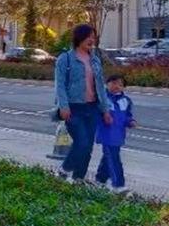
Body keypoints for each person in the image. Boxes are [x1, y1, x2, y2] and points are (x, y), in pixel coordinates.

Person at [54, 24, 112, 184]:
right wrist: (63, 106)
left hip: (92, 108)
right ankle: (64, 170)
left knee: (88, 147)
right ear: (79, 37)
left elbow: (100, 86)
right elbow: (60, 85)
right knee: (82, 142)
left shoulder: (95, 60)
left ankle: (78, 178)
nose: (92, 40)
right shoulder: (65, 59)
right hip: (74, 108)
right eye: (89, 36)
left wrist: (105, 110)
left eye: (94, 37)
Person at [94, 74, 136, 193]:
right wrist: (104, 116)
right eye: (114, 83)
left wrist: (130, 122)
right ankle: (118, 185)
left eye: (120, 84)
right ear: (107, 84)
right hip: (106, 133)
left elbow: (127, 115)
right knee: (114, 158)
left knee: (109, 157)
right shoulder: (102, 99)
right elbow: (95, 112)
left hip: (118, 134)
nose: (117, 86)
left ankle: (100, 180)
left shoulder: (126, 101)